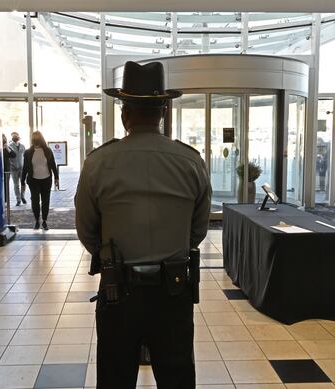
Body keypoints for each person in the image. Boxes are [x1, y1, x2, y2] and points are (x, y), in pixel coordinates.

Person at [75, 61, 211, 388]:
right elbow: (198, 230)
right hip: (173, 290)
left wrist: (111, 254)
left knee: (116, 377)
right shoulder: (191, 161)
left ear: (125, 114)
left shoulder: (98, 162)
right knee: (177, 377)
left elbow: (87, 230)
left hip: (118, 290)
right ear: (164, 111)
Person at [21, 131, 59, 230]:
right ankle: (37, 220)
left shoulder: (47, 151)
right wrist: (22, 182)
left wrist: (56, 177)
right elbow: (25, 168)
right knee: (35, 201)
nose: (36, 140)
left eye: (37, 138)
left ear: (41, 139)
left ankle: (45, 221)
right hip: (33, 181)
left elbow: (53, 164)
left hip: (46, 180)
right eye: (34, 139)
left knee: (46, 201)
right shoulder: (28, 152)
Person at [9, 132, 26, 206]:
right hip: (14, 168)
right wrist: (11, 164)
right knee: (16, 185)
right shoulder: (10, 146)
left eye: (16, 136)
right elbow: (8, 157)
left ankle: (22, 196)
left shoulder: (22, 146)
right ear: (12, 137)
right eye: (14, 136)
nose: (15, 137)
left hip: (22, 168)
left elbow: (25, 156)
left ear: (19, 137)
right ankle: (18, 199)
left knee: (23, 183)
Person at [2, 134, 16, 204]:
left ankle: (6, 200)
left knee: (6, 184)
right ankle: (2, 199)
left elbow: (14, 155)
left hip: (6, 170)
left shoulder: (7, 148)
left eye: (4, 139)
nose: (3, 141)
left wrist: (7, 148)